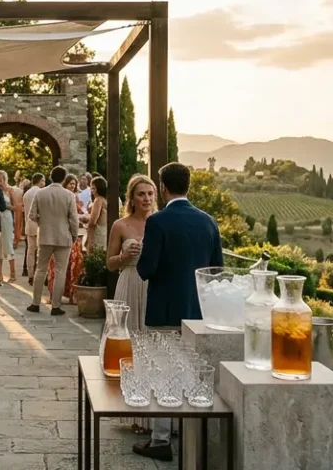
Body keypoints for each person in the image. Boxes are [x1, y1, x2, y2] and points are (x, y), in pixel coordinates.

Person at [132, 163, 224, 461]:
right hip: (199, 312)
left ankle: (161, 441)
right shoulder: (209, 222)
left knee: (163, 373)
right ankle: (192, 439)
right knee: (192, 373)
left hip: (164, 310)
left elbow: (146, 270)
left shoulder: (157, 222)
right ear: (188, 186)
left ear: (163, 187)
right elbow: (217, 271)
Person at [107, 174, 156, 434]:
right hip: (128, 282)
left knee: (149, 345)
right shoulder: (120, 225)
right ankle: (133, 411)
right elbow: (109, 262)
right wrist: (124, 255)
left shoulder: (160, 223)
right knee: (129, 346)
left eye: (150, 193)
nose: (147, 198)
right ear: (132, 198)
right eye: (141, 194)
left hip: (153, 286)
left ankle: (154, 413)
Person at [27, 166, 78, 316]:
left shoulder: (41, 193)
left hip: (44, 235)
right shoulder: (69, 195)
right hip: (63, 236)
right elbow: (73, 219)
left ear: (50, 176)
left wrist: (42, 222)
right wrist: (73, 235)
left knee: (40, 269)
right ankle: (56, 306)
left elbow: (31, 215)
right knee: (60, 271)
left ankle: (35, 303)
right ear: (63, 178)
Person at [50, 174, 85, 302]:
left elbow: (79, 213)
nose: (73, 186)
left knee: (73, 266)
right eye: (70, 183)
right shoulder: (67, 197)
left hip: (69, 234)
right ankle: (55, 295)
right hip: (66, 233)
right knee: (59, 266)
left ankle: (70, 295)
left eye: (74, 184)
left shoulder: (75, 198)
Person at [0, 170, 22, 284]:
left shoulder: (10, 190)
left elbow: (17, 207)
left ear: (5, 179)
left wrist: (6, 206)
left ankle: (13, 273)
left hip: (6, 218)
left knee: (7, 244)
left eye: (1, 178)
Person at [22, 173, 45, 282]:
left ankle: (30, 274)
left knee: (30, 251)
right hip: (39, 225)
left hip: (29, 224)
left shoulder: (26, 194)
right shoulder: (41, 193)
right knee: (41, 251)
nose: (44, 183)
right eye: (43, 181)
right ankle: (40, 275)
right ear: (39, 181)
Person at [86, 176, 109, 252]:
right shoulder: (106, 200)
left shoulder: (98, 200)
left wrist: (90, 240)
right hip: (105, 233)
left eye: (94, 188)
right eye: (91, 188)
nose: (92, 191)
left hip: (97, 233)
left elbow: (93, 222)